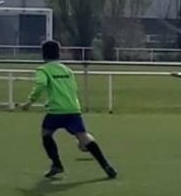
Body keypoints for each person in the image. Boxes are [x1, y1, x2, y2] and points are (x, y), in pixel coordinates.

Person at [18, 40, 117, 180]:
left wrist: (29, 102)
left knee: (46, 134)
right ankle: (106, 165)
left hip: (56, 110)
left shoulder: (43, 70)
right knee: (84, 136)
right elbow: (73, 88)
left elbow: (40, 84)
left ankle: (57, 164)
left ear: (43, 54)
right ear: (59, 53)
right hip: (73, 109)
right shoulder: (67, 70)